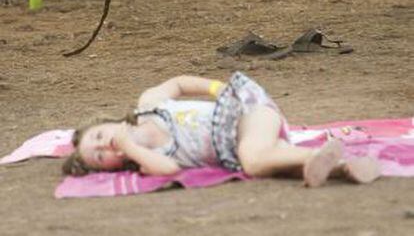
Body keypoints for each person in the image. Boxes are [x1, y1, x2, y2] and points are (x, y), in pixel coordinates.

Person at [62, 72, 381, 187]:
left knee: (254, 161)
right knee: (268, 163)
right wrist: (132, 149)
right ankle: (343, 167)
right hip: (244, 145)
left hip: (248, 113)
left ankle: (316, 156)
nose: (107, 146)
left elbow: (179, 82)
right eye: (101, 157)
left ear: (106, 123)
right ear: (114, 167)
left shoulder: (148, 105)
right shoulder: (148, 160)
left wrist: (218, 89)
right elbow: (170, 168)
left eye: (99, 138)